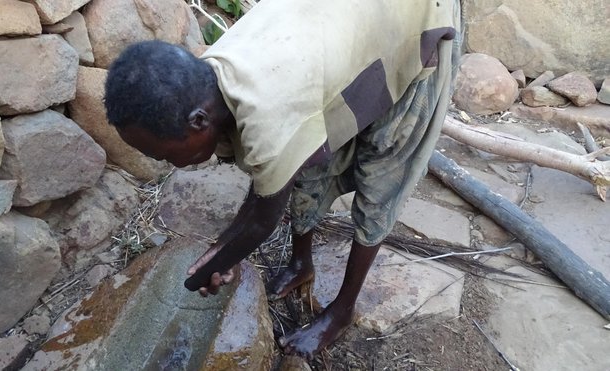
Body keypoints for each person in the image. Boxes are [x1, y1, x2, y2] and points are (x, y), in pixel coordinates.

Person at [105, 0, 461, 359]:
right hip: (339, 35)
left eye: (166, 154)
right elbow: (269, 184)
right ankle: (301, 263)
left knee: (380, 182)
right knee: (306, 166)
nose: (171, 164)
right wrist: (223, 249)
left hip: (413, 23)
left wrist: (213, 266)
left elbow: (263, 219)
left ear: (198, 121)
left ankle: (342, 310)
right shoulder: (208, 78)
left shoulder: (270, 113)